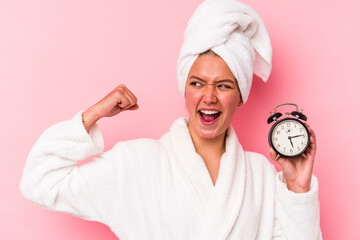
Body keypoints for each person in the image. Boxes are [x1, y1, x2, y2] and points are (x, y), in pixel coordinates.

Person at [20, 0, 322, 239]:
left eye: (224, 85)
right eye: (197, 83)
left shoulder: (261, 177)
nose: (209, 96)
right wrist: (93, 114)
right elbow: (40, 181)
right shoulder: (136, 163)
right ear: (184, 88)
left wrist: (297, 191)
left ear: (241, 95)